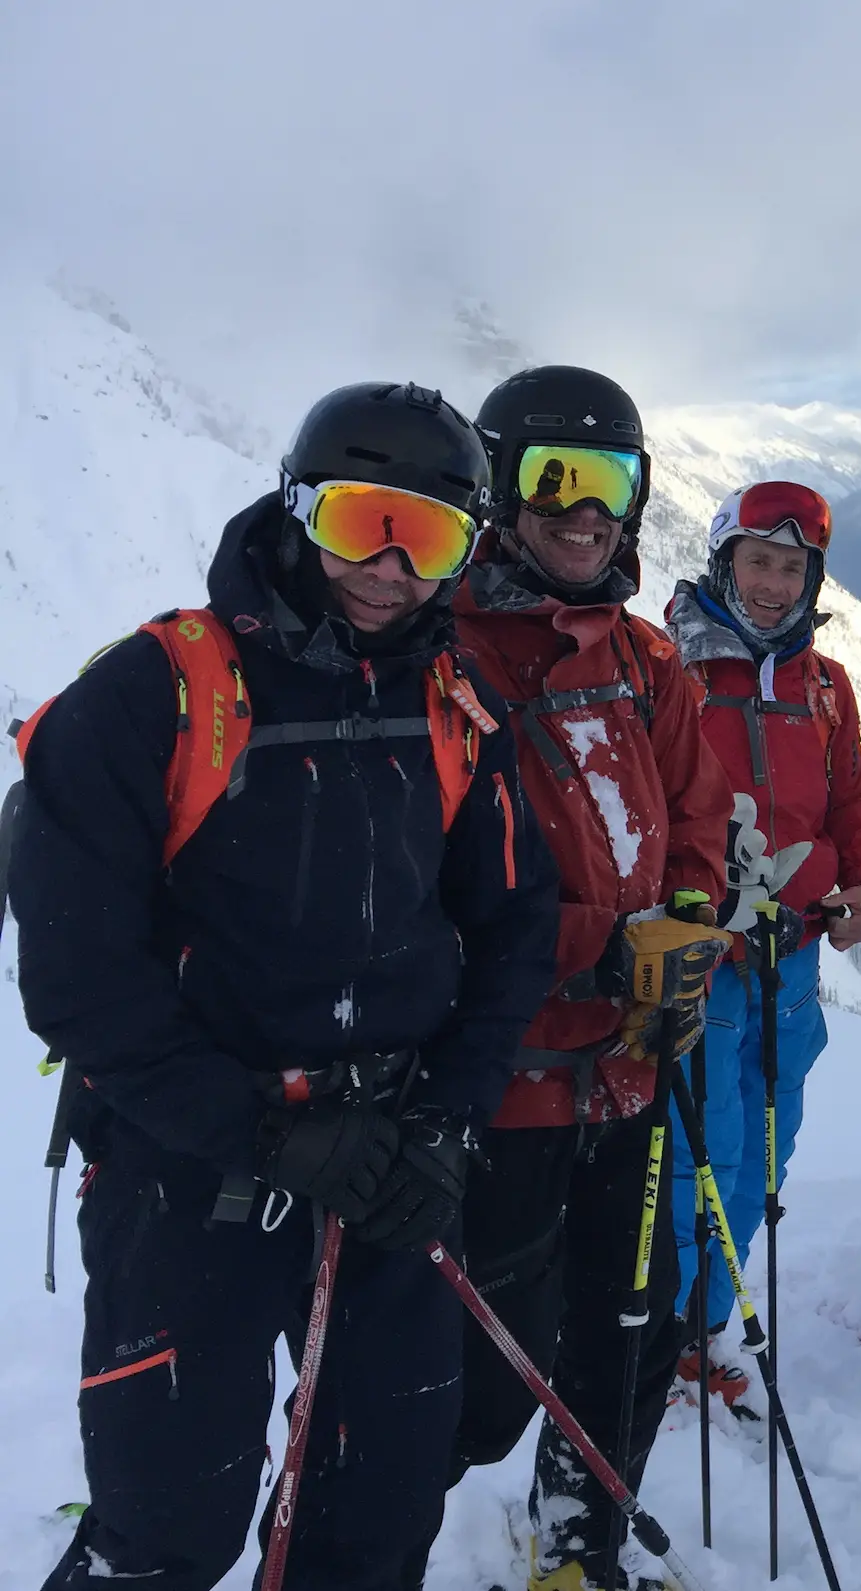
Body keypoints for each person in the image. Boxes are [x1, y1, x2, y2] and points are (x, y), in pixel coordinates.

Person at [14, 382, 558, 1591]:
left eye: (430, 535)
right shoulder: (157, 692)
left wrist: (446, 1121)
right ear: (298, 504)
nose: (389, 566)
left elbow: (517, 923)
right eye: (364, 518)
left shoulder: (456, 704)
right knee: (165, 1528)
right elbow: (76, 974)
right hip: (189, 1171)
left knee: (373, 1520)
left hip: (393, 1164)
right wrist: (261, 1131)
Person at [433, 366, 734, 1591]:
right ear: (498, 490)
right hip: (503, 1080)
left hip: (631, 1066)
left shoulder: (645, 660)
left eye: (608, 480)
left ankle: (579, 1539)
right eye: (551, 477)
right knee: (480, 1371)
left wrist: (693, 926)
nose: (581, 510)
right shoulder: (441, 653)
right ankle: (372, 1518)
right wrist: (595, 948)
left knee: (631, 1324)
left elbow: (700, 818)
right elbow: (427, 892)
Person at [661, 479, 861, 1415]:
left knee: (767, 1149)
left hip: (792, 957)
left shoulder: (824, 687)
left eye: (792, 566)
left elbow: (850, 802)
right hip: (706, 958)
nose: (773, 582)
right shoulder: (669, 669)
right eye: (758, 560)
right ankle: (673, 1329)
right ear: (725, 563)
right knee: (697, 1150)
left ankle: (707, 1316)